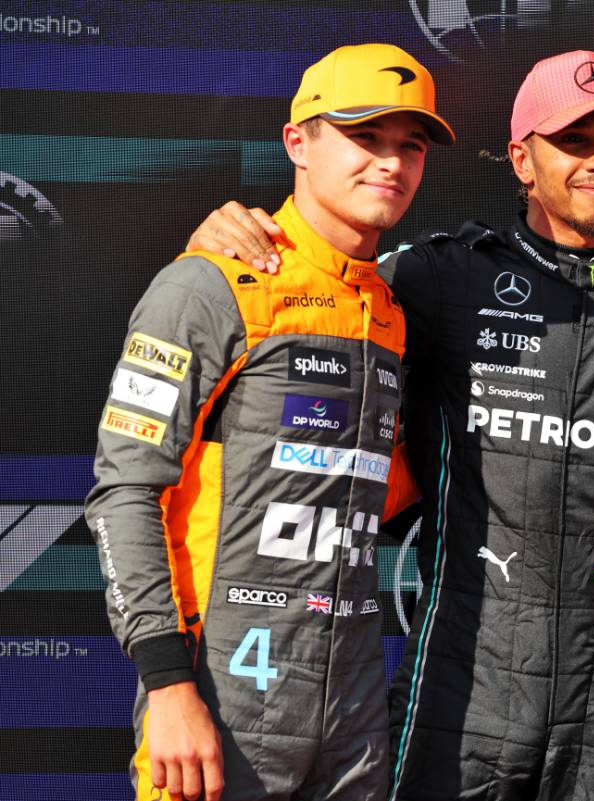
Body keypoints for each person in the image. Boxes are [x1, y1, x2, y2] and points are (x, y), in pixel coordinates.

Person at [184, 49, 594, 801]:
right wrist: (226, 239)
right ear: (522, 158)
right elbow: (321, 287)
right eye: (573, 141)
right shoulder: (440, 275)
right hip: (463, 679)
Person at [84, 43, 453, 801]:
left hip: (351, 710)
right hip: (221, 695)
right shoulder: (208, 284)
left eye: (408, 146)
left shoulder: (390, 311)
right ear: (298, 142)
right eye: (364, 136)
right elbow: (123, 492)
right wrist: (167, 685)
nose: (390, 163)